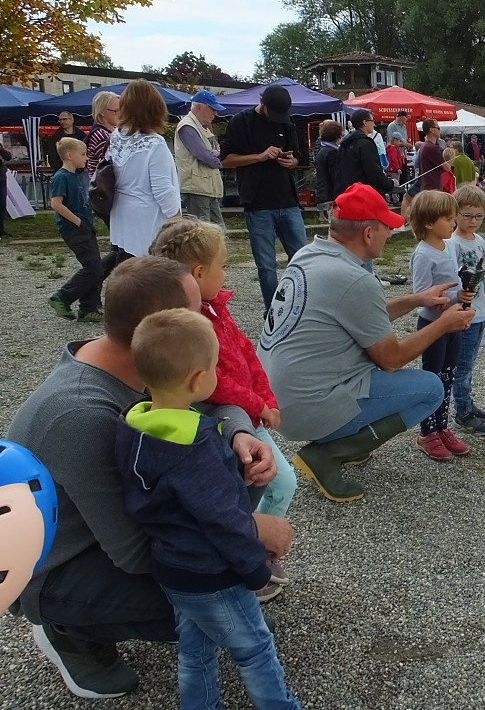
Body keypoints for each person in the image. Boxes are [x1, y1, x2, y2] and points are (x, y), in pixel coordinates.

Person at [6, 256, 287, 700]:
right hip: (63, 568)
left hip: (115, 532)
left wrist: (238, 434)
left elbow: (213, 399)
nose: (209, 314)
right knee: (229, 610)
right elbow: (135, 553)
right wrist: (251, 533)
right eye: (196, 309)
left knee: (227, 597)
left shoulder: (142, 360)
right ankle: (68, 631)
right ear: (162, 327)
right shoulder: (79, 417)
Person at [116, 309, 301, 710]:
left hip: (171, 568)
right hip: (211, 573)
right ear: (198, 380)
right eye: (215, 366)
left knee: (196, 648)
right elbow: (224, 520)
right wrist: (257, 569)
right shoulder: (196, 449)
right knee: (254, 648)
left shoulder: (133, 425)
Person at [257, 183, 474, 501]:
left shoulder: (310, 254)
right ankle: (328, 454)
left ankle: (349, 439)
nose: (391, 233)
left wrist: (415, 299)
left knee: (387, 380)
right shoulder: (355, 279)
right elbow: (391, 358)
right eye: (387, 227)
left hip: (275, 398)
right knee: (429, 389)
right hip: (303, 407)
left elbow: (359, 316)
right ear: (369, 233)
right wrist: (443, 325)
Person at [150, 218, 296, 592]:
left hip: (249, 415)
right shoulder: (189, 325)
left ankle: (250, 550)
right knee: (270, 484)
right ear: (199, 273)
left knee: (264, 486)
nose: (226, 273)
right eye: (223, 266)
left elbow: (246, 353)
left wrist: (267, 398)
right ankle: (250, 555)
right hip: (230, 421)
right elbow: (212, 385)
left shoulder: (216, 308)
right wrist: (258, 406)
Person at [220, 84, 306, 312]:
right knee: (266, 266)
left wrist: (292, 161)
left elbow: (297, 156)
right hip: (258, 203)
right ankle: (273, 312)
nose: (278, 119)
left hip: (288, 200)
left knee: (302, 258)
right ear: (263, 104)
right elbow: (225, 160)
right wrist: (259, 157)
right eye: (274, 113)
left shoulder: (286, 122)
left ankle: (302, 307)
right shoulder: (241, 122)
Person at [408, 190, 474, 459]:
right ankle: (427, 432)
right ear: (428, 223)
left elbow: (455, 279)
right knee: (432, 378)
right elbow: (423, 296)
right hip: (432, 326)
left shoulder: (448, 246)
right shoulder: (423, 254)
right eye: (448, 219)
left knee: (448, 375)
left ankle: (443, 426)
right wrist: (454, 296)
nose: (453, 223)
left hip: (452, 325)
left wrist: (465, 293)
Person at [103, 79, 182, 273]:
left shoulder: (116, 137)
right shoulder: (154, 144)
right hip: (147, 218)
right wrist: (177, 218)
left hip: (122, 212)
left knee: (127, 269)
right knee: (150, 274)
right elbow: (163, 188)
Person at [449, 185, 485, 436]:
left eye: (479, 216)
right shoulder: (452, 244)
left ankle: (468, 402)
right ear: (455, 214)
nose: (474, 221)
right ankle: (462, 413)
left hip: (480, 310)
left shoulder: (479, 240)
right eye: (468, 216)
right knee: (462, 366)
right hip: (463, 313)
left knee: (470, 362)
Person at [47, 138, 103, 322]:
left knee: (97, 267)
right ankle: (62, 297)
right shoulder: (61, 177)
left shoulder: (79, 175)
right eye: (83, 154)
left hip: (85, 226)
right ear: (69, 155)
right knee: (92, 267)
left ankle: (88, 308)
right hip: (74, 228)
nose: (86, 158)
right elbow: (56, 203)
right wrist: (77, 221)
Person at [175, 89, 226, 227]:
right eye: (212, 109)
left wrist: (214, 155)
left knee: (218, 230)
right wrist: (215, 157)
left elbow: (216, 150)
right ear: (199, 107)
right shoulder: (187, 126)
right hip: (196, 187)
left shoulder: (201, 126)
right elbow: (206, 156)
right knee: (202, 232)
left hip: (206, 187)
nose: (215, 113)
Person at [336, 107, 394, 199]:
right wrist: (389, 184)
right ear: (364, 122)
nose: (374, 124)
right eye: (372, 120)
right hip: (364, 194)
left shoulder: (344, 144)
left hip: (348, 193)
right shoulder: (365, 144)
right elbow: (373, 171)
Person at [84, 92, 120, 181]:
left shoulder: (112, 132)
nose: (120, 113)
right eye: (116, 111)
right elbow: (116, 164)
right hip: (102, 188)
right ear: (102, 112)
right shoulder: (101, 135)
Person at [313, 119, 343, 217]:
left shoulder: (322, 151)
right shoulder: (332, 152)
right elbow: (336, 175)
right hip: (331, 195)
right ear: (336, 136)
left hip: (323, 194)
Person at [416, 119, 446, 193]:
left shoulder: (425, 145)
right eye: (438, 128)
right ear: (432, 130)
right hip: (432, 189)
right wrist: (452, 158)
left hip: (427, 186)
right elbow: (447, 168)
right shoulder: (431, 147)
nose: (439, 130)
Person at [386, 109, 410, 179]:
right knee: (397, 178)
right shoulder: (392, 126)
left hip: (403, 156)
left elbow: (405, 139)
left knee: (404, 177)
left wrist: (408, 144)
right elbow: (392, 142)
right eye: (406, 117)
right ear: (402, 117)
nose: (407, 119)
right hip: (395, 156)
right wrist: (406, 145)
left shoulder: (404, 126)